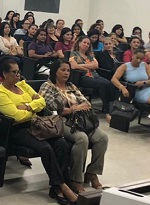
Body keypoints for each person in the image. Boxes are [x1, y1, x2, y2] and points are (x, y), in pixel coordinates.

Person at [0, 57, 77, 205]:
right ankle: (62, 186)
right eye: (14, 72)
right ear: (5, 74)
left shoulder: (23, 85)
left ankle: (59, 185)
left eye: (19, 71)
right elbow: (17, 116)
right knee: (45, 147)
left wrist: (28, 107)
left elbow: (42, 101)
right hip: (16, 130)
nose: (18, 75)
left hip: (36, 125)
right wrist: (33, 106)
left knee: (61, 143)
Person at [39, 61, 108, 193]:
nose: (66, 73)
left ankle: (92, 172)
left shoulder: (71, 86)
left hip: (80, 120)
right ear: (55, 71)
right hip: (60, 121)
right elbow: (50, 108)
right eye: (63, 70)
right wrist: (74, 109)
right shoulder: (47, 86)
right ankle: (76, 179)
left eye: (68, 71)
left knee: (102, 138)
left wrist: (71, 109)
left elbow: (87, 103)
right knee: (81, 138)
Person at [111, 48, 150, 143]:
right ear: (132, 56)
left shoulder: (144, 65)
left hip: (146, 88)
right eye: (137, 58)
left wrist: (144, 82)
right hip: (135, 92)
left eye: (141, 59)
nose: (139, 61)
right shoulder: (125, 66)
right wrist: (123, 87)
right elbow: (114, 79)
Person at [70, 36, 115, 112]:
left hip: (95, 75)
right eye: (84, 42)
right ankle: (108, 110)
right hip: (83, 77)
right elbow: (74, 66)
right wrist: (89, 67)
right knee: (103, 85)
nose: (86, 45)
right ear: (79, 43)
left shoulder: (90, 55)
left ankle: (111, 107)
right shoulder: (74, 54)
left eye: (88, 44)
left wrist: (81, 66)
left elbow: (96, 65)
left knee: (109, 83)